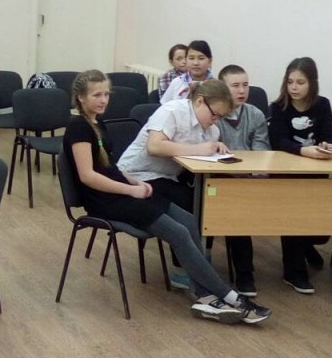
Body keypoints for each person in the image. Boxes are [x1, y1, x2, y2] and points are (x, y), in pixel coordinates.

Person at [72, 70, 270, 324]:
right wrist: (131, 188)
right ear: (81, 98)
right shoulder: (79, 128)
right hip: (107, 198)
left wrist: (133, 183)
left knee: (188, 221)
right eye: (97, 95)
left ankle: (205, 296)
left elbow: (110, 169)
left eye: (106, 94)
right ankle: (232, 298)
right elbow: (88, 176)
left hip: (124, 187)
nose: (103, 100)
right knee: (178, 232)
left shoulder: (97, 125)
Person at [117, 79, 249, 292]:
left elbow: (201, 155)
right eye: (214, 114)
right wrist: (199, 149)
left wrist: (217, 150)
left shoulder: (212, 131)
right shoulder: (172, 111)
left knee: (212, 200)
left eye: (220, 117)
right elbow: (154, 146)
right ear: (199, 101)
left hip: (168, 178)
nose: (215, 121)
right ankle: (186, 270)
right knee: (187, 203)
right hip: (137, 175)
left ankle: (201, 264)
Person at [268, 57, 332, 294]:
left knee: (321, 230)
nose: (294, 87)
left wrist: (327, 146)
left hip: (315, 171)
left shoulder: (323, 104)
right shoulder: (278, 107)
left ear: (312, 83)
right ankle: (294, 272)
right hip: (286, 173)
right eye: (290, 82)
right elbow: (278, 141)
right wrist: (304, 150)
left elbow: (328, 135)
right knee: (293, 215)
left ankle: (305, 244)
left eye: (300, 82)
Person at [212, 64, 271, 296]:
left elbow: (261, 153)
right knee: (233, 211)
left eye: (245, 85)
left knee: (242, 210)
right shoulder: (213, 115)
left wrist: (249, 175)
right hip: (217, 181)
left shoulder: (255, 115)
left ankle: (246, 273)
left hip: (248, 181)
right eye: (235, 85)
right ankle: (237, 273)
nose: (242, 90)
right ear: (222, 88)